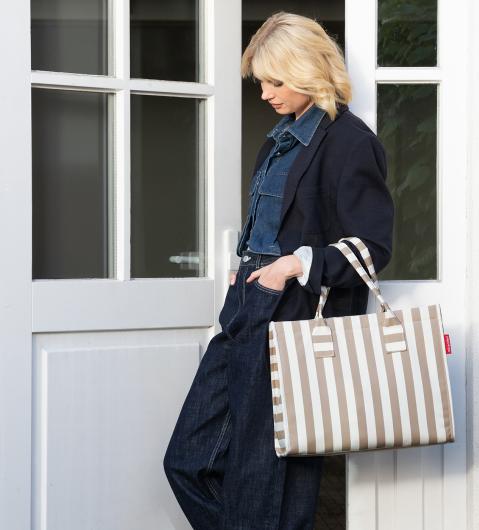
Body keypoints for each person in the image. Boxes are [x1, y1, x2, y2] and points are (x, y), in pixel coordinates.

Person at [163, 11, 394, 530]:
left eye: (276, 81)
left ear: (309, 70)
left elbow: (374, 246)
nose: (265, 93)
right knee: (188, 461)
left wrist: (294, 264)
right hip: (249, 303)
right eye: (262, 82)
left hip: (293, 315)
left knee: (263, 478)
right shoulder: (280, 139)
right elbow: (273, 221)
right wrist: (251, 263)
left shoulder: (350, 142)